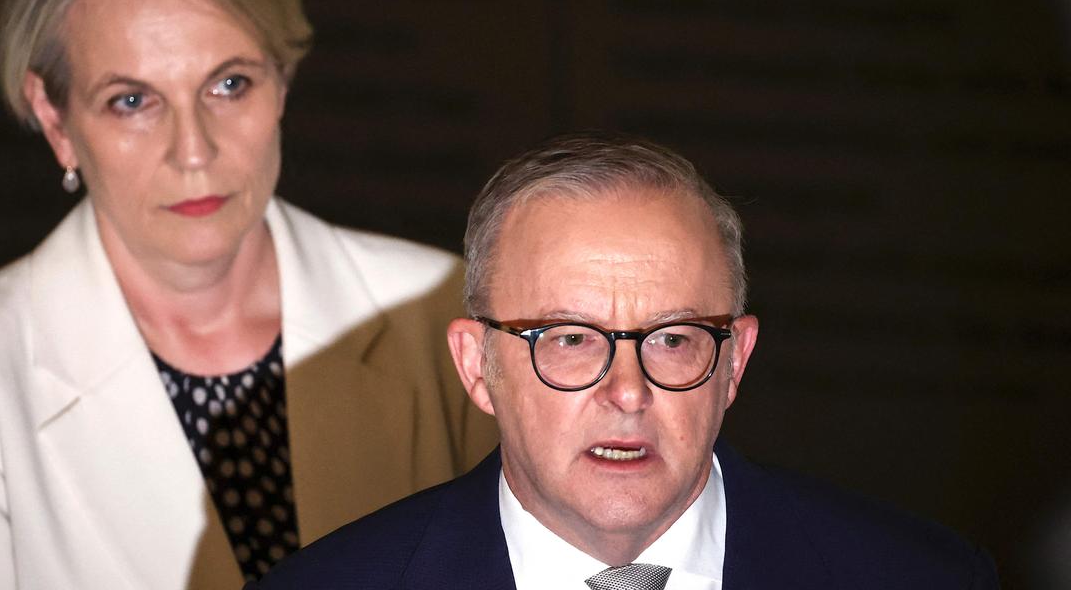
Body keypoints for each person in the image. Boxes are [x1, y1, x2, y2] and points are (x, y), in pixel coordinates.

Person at [0, 0, 495, 588]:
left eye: (229, 84)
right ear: (54, 117)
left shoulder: (440, 307)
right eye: (131, 100)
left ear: (282, 78)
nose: (193, 151)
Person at [252, 132, 999, 589]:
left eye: (673, 338)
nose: (628, 392)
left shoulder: (922, 578)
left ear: (734, 362)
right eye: (570, 338)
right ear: (478, 367)